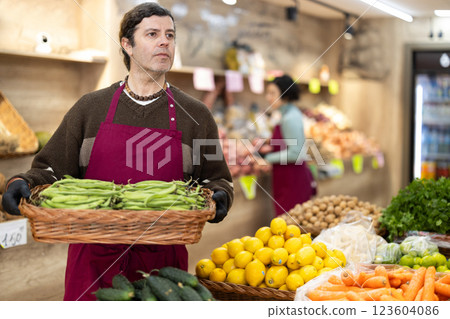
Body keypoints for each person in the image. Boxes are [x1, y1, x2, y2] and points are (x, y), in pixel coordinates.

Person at [1, 2, 233, 301]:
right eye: (152, 34)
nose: (165, 41)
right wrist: (21, 182)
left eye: (170, 35)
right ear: (127, 45)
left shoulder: (197, 115)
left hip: (161, 267)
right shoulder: (90, 107)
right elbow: (50, 169)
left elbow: (216, 179)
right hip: (92, 259)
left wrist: (220, 195)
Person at [262, 75, 316, 216]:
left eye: (273, 93)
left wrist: (267, 158)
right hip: (285, 177)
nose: (268, 97)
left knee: (290, 228)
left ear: (285, 94)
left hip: (292, 181)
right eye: (267, 93)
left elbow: (296, 153)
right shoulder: (286, 113)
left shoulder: (290, 117)